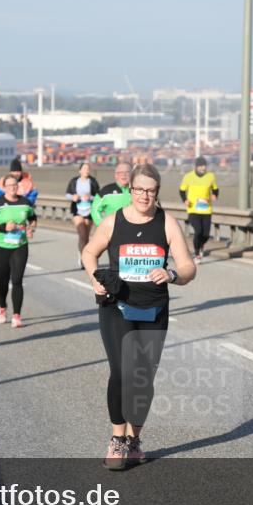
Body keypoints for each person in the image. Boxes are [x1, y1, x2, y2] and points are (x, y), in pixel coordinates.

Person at [82, 163, 196, 470]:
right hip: (116, 304)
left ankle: (134, 441)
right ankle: (117, 438)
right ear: (130, 190)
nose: (144, 196)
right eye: (139, 190)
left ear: (157, 192)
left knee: (143, 378)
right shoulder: (113, 221)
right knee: (122, 371)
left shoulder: (168, 223)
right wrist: (95, 278)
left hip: (153, 308)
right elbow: (89, 251)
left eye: (151, 190)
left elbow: (188, 268)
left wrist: (171, 273)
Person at [0, 174, 38, 329]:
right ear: (4, 188)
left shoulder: (25, 203)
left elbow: (33, 219)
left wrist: (30, 229)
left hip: (20, 246)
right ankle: (2, 306)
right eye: (9, 185)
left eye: (15, 185)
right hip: (0, 246)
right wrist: (3, 227)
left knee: (17, 280)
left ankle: (16, 315)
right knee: (3, 280)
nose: (13, 187)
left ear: (18, 186)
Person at [179, 156, 219, 261]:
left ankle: (200, 244)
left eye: (204, 166)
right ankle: (197, 252)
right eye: (201, 166)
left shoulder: (211, 176)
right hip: (193, 210)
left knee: (206, 234)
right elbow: (182, 190)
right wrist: (185, 200)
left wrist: (215, 195)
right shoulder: (188, 177)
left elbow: (215, 189)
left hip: (207, 209)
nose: (203, 168)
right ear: (196, 167)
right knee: (198, 231)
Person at [66, 161, 100, 267]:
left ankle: (85, 255)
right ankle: (83, 259)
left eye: (88, 169)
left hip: (89, 210)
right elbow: (67, 194)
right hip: (77, 211)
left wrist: (89, 198)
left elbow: (99, 196)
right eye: (84, 169)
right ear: (80, 170)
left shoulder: (93, 181)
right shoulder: (74, 181)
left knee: (86, 237)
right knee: (82, 235)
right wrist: (73, 197)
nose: (86, 171)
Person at [90, 161, 132, 227]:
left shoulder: (138, 190)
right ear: (116, 175)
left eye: (127, 172)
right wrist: (102, 226)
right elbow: (95, 209)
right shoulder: (106, 191)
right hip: (113, 230)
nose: (124, 175)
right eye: (120, 172)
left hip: (134, 230)